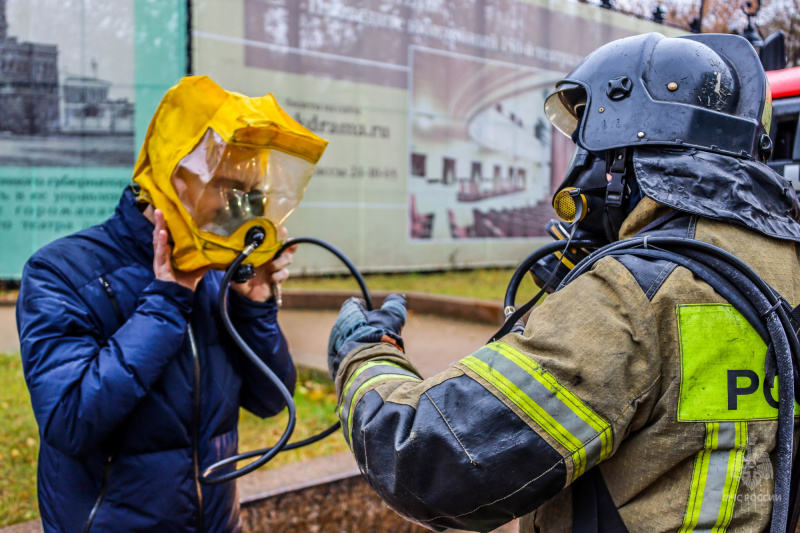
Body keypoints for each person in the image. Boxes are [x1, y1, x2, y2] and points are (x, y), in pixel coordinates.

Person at [327, 33, 800, 532]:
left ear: (628, 153)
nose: (581, 170)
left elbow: (430, 459)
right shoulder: (781, 264)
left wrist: (365, 355)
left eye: (589, 145)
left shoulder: (633, 294)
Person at [16, 76, 327, 532]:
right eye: (223, 185)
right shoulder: (62, 271)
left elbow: (269, 400)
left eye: (248, 191)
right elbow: (70, 422)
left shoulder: (219, 274)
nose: (236, 207)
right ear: (169, 175)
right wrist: (167, 299)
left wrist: (255, 304)